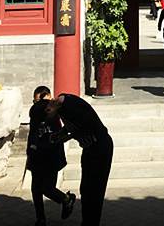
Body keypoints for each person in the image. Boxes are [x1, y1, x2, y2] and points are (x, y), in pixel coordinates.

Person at [46, 94, 114, 226]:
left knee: (95, 190)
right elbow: (72, 126)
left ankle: (91, 223)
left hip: (100, 147)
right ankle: (87, 221)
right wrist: (61, 135)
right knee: (86, 189)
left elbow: (85, 124)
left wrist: (67, 136)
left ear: (51, 106)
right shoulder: (62, 108)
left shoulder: (70, 104)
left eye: (48, 114)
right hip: (89, 149)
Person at [27, 96, 75, 226]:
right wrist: (30, 154)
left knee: (47, 188)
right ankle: (40, 219)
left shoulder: (53, 118)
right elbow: (32, 138)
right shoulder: (36, 114)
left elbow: (58, 139)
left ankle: (66, 199)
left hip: (51, 159)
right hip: (37, 157)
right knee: (36, 189)